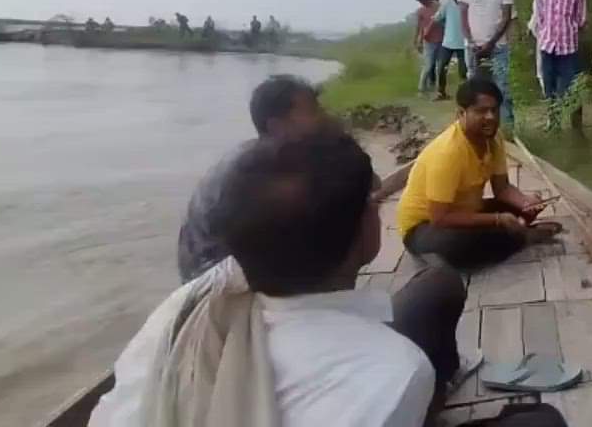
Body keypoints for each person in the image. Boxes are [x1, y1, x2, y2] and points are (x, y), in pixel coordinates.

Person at [91, 127, 507, 427]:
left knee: (437, 286)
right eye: (371, 203)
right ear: (363, 234)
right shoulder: (391, 371)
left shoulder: (184, 307)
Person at [177, 75, 329, 281]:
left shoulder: (271, 156)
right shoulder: (257, 172)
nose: (322, 118)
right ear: (277, 126)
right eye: (312, 112)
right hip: (215, 282)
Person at [397, 78, 559, 270]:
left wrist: (525, 202)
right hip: (425, 227)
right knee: (456, 246)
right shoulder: (448, 153)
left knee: (521, 209)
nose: (490, 117)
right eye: (481, 111)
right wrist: (497, 219)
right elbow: (440, 218)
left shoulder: (493, 138)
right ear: (461, 113)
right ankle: (521, 237)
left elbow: (503, 188)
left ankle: (512, 234)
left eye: (494, 110)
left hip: (465, 211)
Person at [458, 0, 515, 130]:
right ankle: (474, 128)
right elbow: (463, 17)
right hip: (474, 48)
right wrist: (471, 41)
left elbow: (506, 17)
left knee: (502, 90)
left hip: (498, 47)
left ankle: (506, 132)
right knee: (474, 92)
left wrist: (490, 43)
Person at [531, 0, 587, 130]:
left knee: (573, 90)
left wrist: (569, 32)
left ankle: (577, 126)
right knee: (549, 88)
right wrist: (544, 37)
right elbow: (538, 19)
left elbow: (581, 19)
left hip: (569, 48)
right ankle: (553, 123)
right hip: (547, 47)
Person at [433, 0, 468, 100]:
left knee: (452, 68)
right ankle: (442, 92)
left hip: (458, 41)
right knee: (446, 67)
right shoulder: (450, 4)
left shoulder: (457, 4)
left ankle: (461, 93)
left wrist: (444, 24)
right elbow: (437, 18)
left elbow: (436, 19)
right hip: (453, 41)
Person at [413, 0, 443, 95]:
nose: (421, 2)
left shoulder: (439, 6)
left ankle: (439, 88)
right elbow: (418, 27)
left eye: (422, 0)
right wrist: (416, 41)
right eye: (419, 1)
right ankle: (421, 88)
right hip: (428, 41)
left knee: (440, 66)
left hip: (441, 40)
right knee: (428, 65)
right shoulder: (420, 11)